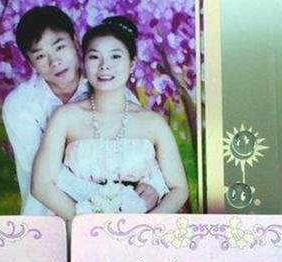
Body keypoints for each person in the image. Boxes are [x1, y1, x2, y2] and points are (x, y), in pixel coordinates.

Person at [2, 7, 162, 215]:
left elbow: (140, 149)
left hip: (118, 216)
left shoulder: (107, 85)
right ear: (29, 61)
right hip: (47, 215)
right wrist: (107, 202)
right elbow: (43, 172)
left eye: (60, 47)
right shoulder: (20, 104)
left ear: (75, 41)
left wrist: (154, 186)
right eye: (40, 56)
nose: (54, 61)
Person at [31, 16, 189, 220]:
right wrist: (87, 223)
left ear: (132, 64)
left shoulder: (153, 123)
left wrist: (145, 225)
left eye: (115, 56)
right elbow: (41, 185)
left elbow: (179, 189)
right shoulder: (65, 118)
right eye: (94, 57)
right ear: (84, 63)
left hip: (140, 231)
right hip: (80, 229)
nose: (104, 65)